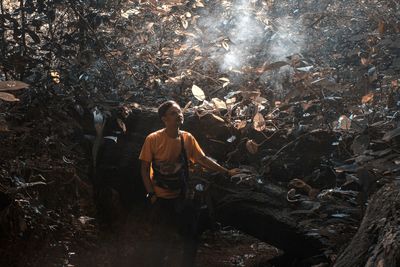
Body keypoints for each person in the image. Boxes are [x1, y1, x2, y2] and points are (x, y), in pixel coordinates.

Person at [139, 100, 240, 266]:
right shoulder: (153, 139)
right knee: (161, 241)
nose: (179, 115)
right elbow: (144, 168)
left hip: (182, 196)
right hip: (161, 198)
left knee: (190, 238)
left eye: (179, 112)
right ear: (164, 119)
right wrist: (151, 194)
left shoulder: (187, 138)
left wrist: (226, 171)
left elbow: (201, 159)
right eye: (173, 113)